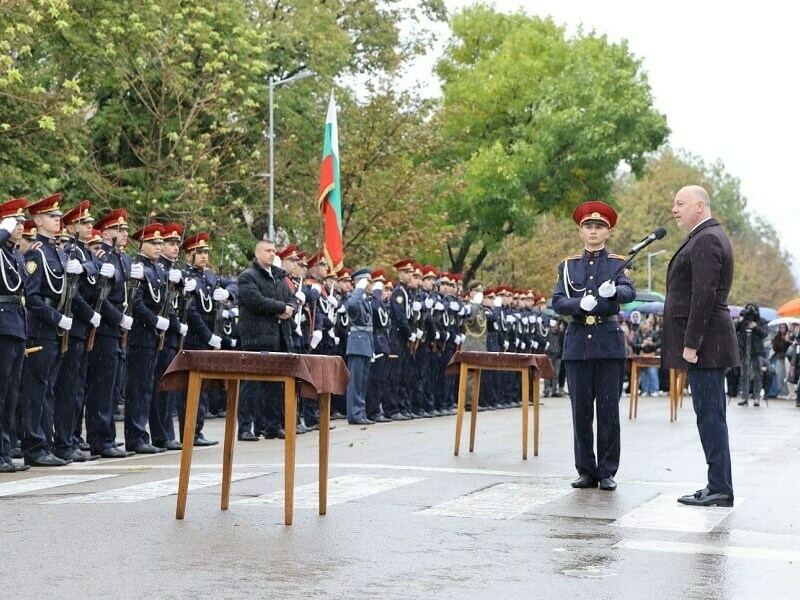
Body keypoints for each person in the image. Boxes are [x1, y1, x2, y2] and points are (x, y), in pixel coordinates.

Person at [662, 185, 738, 507]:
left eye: (680, 203)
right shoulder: (703, 236)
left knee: (710, 416)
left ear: (700, 206)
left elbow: (704, 295)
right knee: (710, 415)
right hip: (709, 343)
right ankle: (718, 483)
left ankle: (719, 486)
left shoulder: (706, 239)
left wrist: (691, 343)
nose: (674, 209)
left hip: (706, 345)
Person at [552, 200, 635, 492]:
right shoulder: (567, 266)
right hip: (577, 343)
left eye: (599, 227)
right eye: (588, 226)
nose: (593, 232)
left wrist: (614, 294)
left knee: (609, 412)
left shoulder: (617, 263)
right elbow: (557, 301)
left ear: (608, 232)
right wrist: (578, 304)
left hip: (608, 343)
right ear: (580, 231)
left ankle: (608, 471)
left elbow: (628, 290)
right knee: (582, 412)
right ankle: (586, 470)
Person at [236, 239, 296, 440]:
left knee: (275, 385)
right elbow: (256, 301)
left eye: (274, 251)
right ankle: (245, 427)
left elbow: (291, 298)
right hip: (256, 337)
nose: (272, 254)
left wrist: (289, 309)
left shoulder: (278, 276)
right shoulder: (247, 276)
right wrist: (281, 308)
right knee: (251, 384)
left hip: (278, 337)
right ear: (257, 254)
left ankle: (272, 425)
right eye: (268, 250)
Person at [0, 199, 30, 472]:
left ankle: (5, 451)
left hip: (17, 324)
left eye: (21, 222)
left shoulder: (15, 254)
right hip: (3, 324)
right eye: (15, 222)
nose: (20, 227)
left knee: (11, 393)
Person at [344, 268, 374, 424]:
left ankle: (360, 412)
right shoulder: (353, 297)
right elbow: (351, 305)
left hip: (365, 345)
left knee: (362, 382)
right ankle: (354, 414)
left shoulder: (365, 300)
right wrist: (359, 288)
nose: (370, 285)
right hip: (357, 344)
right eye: (367, 281)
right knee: (355, 382)